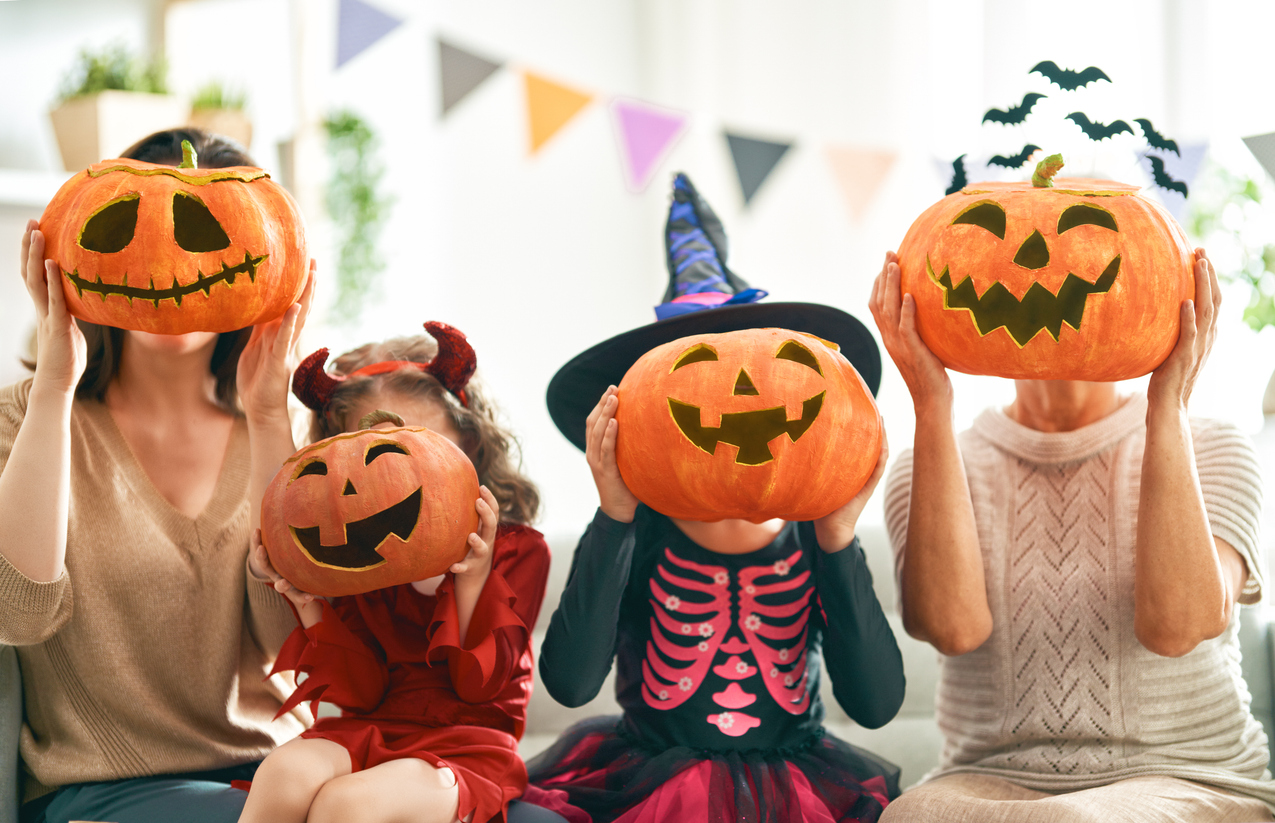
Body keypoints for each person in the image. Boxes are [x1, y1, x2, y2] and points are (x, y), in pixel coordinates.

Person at [524, 174, 905, 823]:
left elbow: (874, 703)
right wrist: (614, 513)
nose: (737, 400)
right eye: (697, 371)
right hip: (645, 775)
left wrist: (838, 539)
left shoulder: (816, 537)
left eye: (768, 368)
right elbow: (570, 681)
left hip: (798, 780)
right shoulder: (639, 534)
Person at [870, 248, 1275, 822]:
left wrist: (1167, 404)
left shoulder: (1212, 446)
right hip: (986, 780)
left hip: (1186, 774)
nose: (1041, 268)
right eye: (1018, 253)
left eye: (1080, 252)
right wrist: (930, 403)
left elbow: (1178, 625)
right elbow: (952, 628)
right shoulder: (927, 462)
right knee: (907, 816)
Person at [1, 128, 315, 823]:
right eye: (128, 226)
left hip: (281, 775)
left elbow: (293, 646)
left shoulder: (282, 427)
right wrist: (55, 385)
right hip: (105, 790)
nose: (166, 259)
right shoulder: (22, 418)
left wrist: (268, 417)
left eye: (204, 230)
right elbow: (16, 613)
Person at [237, 322, 551, 823]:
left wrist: (471, 579)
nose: (391, 478)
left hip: (468, 743)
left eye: (410, 448)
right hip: (374, 725)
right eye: (367, 455)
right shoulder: (358, 561)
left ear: (467, 445)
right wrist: (308, 599)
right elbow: (361, 693)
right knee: (282, 773)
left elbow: (480, 690)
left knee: (348, 805)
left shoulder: (518, 550)